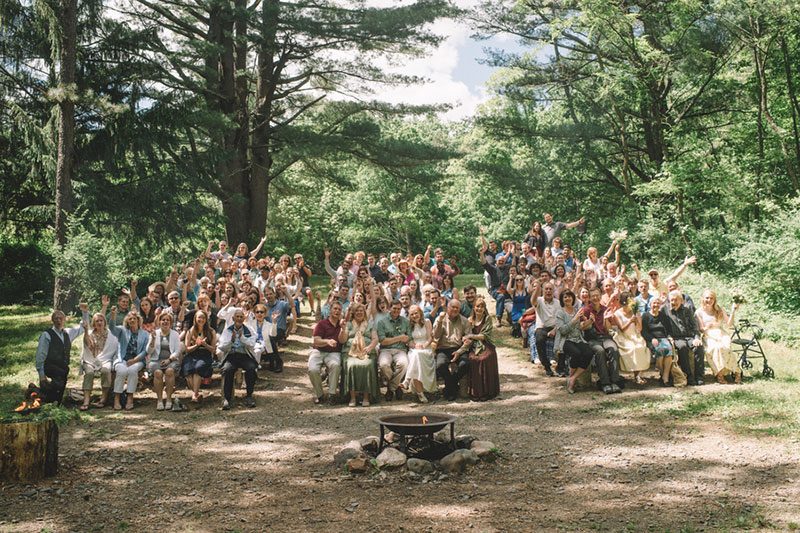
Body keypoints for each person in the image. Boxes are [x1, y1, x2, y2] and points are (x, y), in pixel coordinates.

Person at [581, 288, 622, 394]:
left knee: (613, 349)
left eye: (597, 295)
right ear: (589, 298)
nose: (595, 298)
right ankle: (605, 383)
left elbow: (607, 330)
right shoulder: (586, 310)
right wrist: (590, 321)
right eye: (593, 296)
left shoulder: (605, 309)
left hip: (605, 337)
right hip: (592, 339)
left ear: (600, 296)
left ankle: (615, 381)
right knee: (600, 351)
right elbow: (582, 328)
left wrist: (605, 318)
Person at [696, 290, 741, 384]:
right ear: (703, 299)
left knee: (725, 348)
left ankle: (736, 371)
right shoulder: (699, 312)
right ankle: (719, 374)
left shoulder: (719, 309)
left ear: (714, 299)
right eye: (707, 298)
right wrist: (707, 326)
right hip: (708, 334)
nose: (709, 300)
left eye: (711, 298)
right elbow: (701, 329)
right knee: (715, 348)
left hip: (721, 333)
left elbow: (729, 324)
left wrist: (733, 311)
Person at [339, 302, 379, 407]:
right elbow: (342, 340)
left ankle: (366, 397)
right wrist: (342, 330)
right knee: (351, 366)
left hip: (366, 351)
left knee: (367, 365)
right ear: (353, 312)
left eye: (361, 310)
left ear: (364, 312)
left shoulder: (370, 324)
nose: (359, 312)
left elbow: (375, 339)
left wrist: (369, 347)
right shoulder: (348, 324)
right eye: (357, 310)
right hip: (350, 352)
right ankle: (352, 397)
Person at [554, 290, 594, 394]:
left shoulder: (577, 310)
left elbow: (581, 327)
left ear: (573, 298)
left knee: (589, 352)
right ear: (562, 300)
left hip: (578, 338)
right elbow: (562, 330)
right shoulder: (560, 312)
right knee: (576, 353)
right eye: (565, 297)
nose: (567, 299)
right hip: (565, 340)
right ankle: (571, 381)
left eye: (569, 297)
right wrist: (574, 319)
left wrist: (590, 321)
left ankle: (572, 378)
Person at [109, 311, 150, 411]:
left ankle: (130, 397)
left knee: (132, 371)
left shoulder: (145, 334)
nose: (132, 320)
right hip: (122, 358)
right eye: (130, 318)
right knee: (121, 371)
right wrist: (113, 316)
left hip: (137, 360)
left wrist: (135, 360)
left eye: (134, 319)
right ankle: (117, 397)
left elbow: (146, 350)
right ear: (127, 321)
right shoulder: (122, 330)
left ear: (138, 320)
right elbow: (112, 328)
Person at [218, 309, 258, 410]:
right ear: (233, 318)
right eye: (237, 317)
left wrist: (242, 338)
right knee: (227, 370)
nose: (239, 319)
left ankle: (249, 396)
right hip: (232, 355)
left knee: (251, 368)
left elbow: (252, 344)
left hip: (245, 355)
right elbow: (222, 347)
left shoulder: (249, 329)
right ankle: (227, 398)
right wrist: (231, 341)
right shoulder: (228, 330)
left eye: (241, 317)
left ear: (244, 318)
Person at [431, 299, 470, 401]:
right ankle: (452, 386)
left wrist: (459, 352)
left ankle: (449, 387)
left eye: (457, 308)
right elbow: (436, 336)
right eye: (453, 307)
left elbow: (468, 339)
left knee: (465, 364)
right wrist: (439, 321)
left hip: (459, 348)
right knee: (440, 365)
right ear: (448, 308)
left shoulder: (464, 321)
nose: (455, 309)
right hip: (443, 348)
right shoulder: (440, 319)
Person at [79, 312, 118, 410]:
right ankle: (86, 400)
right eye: (97, 321)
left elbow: (113, 350)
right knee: (89, 373)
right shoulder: (91, 333)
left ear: (104, 322)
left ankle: (103, 399)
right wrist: (86, 330)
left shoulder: (111, 335)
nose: (99, 323)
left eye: (101, 320)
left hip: (106, 359)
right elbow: (88, 345)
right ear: (94, 323)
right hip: (90, 359)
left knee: (106, 370)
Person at [665, 290, 705, 385]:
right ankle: (689, 376)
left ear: (681, 300)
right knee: (682, 347)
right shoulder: (665, 310)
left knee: (699, 347)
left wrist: (696, 337)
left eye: (675, 300)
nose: (673, 303)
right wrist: (669, 337)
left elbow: (694, 326)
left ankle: (699, 376)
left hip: (690, 337)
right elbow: (664, 328)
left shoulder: (687, 309)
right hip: (677, 338)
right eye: (671, 300)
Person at [308, 301, 344, 404]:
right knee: (313, 369)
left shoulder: (341, 325)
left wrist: (343, 329)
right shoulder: (322, 324)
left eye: (339, 309)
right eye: (335, 309)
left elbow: (343, 340)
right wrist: (327, 341)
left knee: (336, 365)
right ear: (330, 310)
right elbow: (316, 341)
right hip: (319, 351)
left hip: (334, 353)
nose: (337, 311)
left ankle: (332, 394)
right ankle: (319, 394)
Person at [465, 297, 499, 401]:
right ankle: (476, 392)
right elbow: (466, 334)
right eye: (477, 306)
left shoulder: (487, 319)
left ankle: (487, 391)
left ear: (484, 308)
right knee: (472, 358)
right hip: (473, 346)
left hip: (485, 344)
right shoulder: (469, 320)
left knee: (485, 358)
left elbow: (484, 336)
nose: (479, 309)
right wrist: (469, 337)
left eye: (481, 306)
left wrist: (471, 335)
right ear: (474, 308)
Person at [612, 292, 651, 384]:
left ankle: (638, 375)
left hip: (635, 335)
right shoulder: (617, 313)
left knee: (640, 347)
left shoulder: (636, 312)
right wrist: (630, 321)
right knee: (632, 348)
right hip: (623, 336)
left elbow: (639, 329)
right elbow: (621, 328)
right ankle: (636, 375)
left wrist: (637, 320)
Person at [376, 300, 411, 401]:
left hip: (400, 350)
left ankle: (390, 389)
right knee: (383, 365)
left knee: (403, 363)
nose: (396, 311)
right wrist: (400, 338)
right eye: (394, 308)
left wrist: (407, 339)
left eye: (399, 309)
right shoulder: (382, 322)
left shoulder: (405, 322)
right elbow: (382, 341)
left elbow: (408, 338)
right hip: (385, 350)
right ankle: (397, 386)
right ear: (390, 308)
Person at [400, 305, 435, 403]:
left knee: (417, 356)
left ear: (420, 313)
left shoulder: (427, 321)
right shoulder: (408, 325)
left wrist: (423, 345)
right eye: (412, 314)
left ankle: (407, 380)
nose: (414, 315)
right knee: (415, 355)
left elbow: (430, 338)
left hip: (426, 348)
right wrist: (415, 346)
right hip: (414, 349)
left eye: (416, 313)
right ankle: (420, 393)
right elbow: (409, 341)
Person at [146, 313, 181, 411]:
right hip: (156, 360)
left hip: (171, 360)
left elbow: (177, 351)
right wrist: (152, 340)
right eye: (163, 320)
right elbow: (148, 351)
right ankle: (160, 400)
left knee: (169, 371)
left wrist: (169, 360)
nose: (165, 322)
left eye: (167, 320)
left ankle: (169, 399)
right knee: (158, 373)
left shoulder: (175, 334)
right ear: (159, 322)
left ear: (170, 322)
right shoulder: (154, 334)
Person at [182, 310, 218, 403]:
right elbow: (187, 349)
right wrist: (196, 345)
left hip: (205, 354)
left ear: (206, 319)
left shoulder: (211, 331)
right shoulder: (190, 331)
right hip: (192, 354)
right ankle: (197, 394)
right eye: (199, 317)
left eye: (203, 317)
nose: (201, 319)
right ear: (195, 318)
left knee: (198, 369)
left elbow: (213, 349)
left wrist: (205, 344)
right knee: (188, 374)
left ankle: (194, 395)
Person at [641, 297, 674, 386]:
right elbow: (643, 331)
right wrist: (651, 339)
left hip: (663, 338)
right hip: (652, 339)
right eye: (654, 303)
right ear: (650, 304)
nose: (656, 305)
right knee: (660, 351)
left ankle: (665, 377)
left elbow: (669, 329)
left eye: (658, 303)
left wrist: (669, 337)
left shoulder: (663, 316)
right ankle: (662, 374)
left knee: (668, 349)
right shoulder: (645, 316)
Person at [531, 281, 561, 377]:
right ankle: (547, 366)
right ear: (543, 291)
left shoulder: (558, 303)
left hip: (555, 328)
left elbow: (561, 320)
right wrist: (537, 288)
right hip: (542, 328)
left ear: (553, 291)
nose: (548, 291)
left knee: (565, 338)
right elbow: (533, 301)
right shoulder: (539, 300)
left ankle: (561, 367)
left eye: (550, 289)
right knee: (539, 339)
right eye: (546, 289)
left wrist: (555, 330)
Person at [247, 303, 274, 368]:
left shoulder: (269, 324)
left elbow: (273, 334)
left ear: (265, 314)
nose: (259, 314)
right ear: (254, 313)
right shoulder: (250, 323)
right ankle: (255, 365)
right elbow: (245, 331)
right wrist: (245, 319)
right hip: (252, 343)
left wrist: (274, 322)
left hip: (263, 344)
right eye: (257, 312)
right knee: (255, 350)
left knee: (257, 351)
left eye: (261, 312)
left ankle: (255, 367)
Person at [506, 269, 529, 337]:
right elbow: (508, 289)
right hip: (516, 311)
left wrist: (527, 279)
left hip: (524, 310)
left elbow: (530, 289)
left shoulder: (526, 290)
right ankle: (521, 332)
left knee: (523, 319)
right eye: (517, 280)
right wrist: (511, 279)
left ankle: (520, 331)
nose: (519, 281)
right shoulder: (514, 291)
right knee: (522, 320)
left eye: (521, 279)